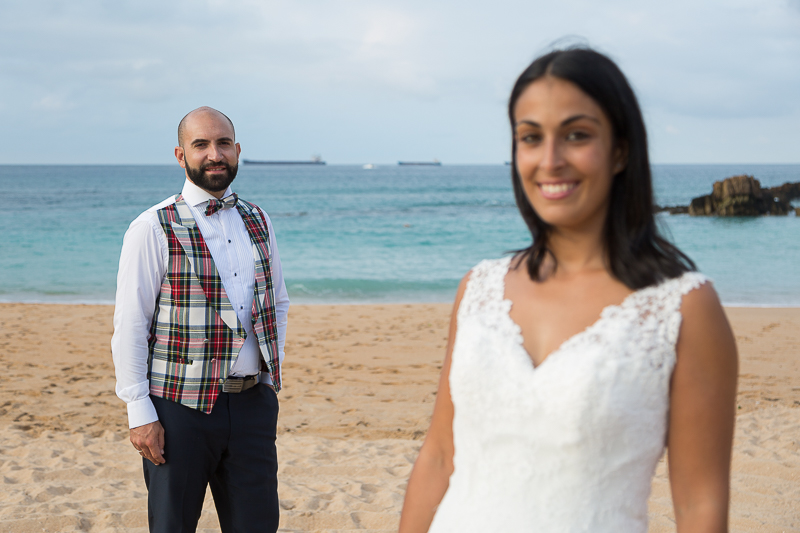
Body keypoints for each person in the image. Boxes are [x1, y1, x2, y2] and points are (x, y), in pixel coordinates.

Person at [399, 48, 738, 532]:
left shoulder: (683, 308)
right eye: (531, 138)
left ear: (621, 149)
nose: (550, 160)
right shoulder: (478, 289)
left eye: (577, 136)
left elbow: (698, 505)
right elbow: (438, 456)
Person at [111, 106, 290, 533]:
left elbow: (277, 301)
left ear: (237, 150)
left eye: (223, 143)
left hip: (252, 406)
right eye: (201, 145)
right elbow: (132, 323)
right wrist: (139, 410)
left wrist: (266, 376)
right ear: (180, 155)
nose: (215, 154)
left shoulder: (259, 219)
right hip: (178, 410)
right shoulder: (152, 226)